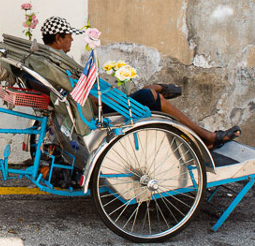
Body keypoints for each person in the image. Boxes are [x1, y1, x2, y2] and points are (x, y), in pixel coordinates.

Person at [40, 16, 241, 150]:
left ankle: (161, 89)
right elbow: (80, 94)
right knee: (150, 96)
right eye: (68, 36)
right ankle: (207, 136)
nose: (71, 40)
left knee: (149, 93)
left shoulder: (52, 60)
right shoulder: (58, 63)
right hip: (96, 107)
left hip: (96, 101)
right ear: (58, 38)